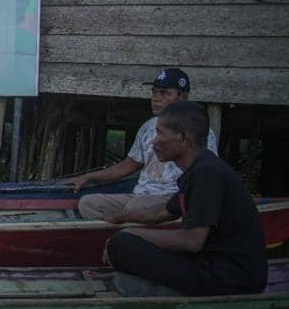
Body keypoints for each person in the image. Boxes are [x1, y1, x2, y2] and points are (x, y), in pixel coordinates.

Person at [103, 101, 266, 297]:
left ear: (183, 138)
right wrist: (121, 218)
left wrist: (133, 233)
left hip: (232, 277)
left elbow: (192, 242)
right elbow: (161, 212)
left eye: (161, 134)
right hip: (211, 263)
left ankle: (164, 293)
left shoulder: (207, 174)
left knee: (120, 246)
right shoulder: (199, 168)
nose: (154, 141)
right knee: (123, 242)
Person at [69, 67, 217, 220]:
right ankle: (119, 230)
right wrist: (90, 176)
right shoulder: (147, 127)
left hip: (169, 199)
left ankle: (127, 230)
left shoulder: (197, 129)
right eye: (154, 92)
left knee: (133, 208)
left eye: (164, 93)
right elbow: (128, 165)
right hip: (139, 195)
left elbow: (204, 172)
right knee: (87, 204)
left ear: (183, 97)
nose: (156, 98)